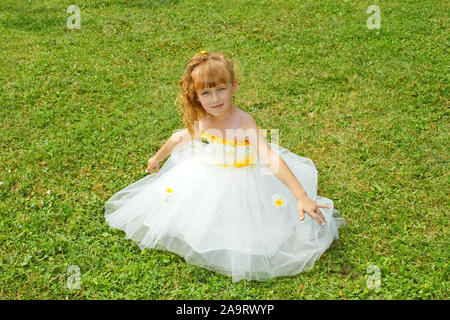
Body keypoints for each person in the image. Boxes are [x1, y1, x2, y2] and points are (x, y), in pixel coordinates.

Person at [105, 51, 346, 283]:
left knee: (250, 222)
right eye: (206, 93)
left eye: (222, 89)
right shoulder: (204, 119)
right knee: (196, 209)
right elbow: (181, 137)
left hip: (246, 175)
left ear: (234, 87)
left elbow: (269, 158)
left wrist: (301, 195)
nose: (216, 99)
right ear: (197, 97)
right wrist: (157, 158)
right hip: (210, 169)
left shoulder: (244, 122)